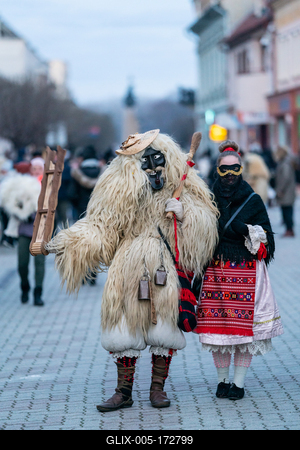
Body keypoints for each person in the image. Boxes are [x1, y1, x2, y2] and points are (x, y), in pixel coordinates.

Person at [46, 130, 219, 412]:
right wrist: (66, 242)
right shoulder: (118, 190)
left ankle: (157, 388)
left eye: (156, 159)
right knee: (123, 325)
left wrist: (185, 212)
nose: (152, 167)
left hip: (164, 265)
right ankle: (123, 391)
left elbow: (206, 226)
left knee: (163, 326)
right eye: (145, 161)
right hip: (127, 265)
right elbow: (100, 226)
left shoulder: (183, 181)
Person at [195, 140, 284, 400]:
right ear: (217, 170)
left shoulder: (254, 200)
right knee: (218, 328)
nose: (230, 174)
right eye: (225, 170)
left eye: (235, 169)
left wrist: (246, 230)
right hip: (216, 270)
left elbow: (268, 237)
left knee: (244, 332)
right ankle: (222, 382)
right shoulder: (206, 199)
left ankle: (239, 384)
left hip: (247, 272)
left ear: (241, 169)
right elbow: (196, 231)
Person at [0, 157, 45, 306]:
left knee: (39, 262)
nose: (37, 170)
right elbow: (11, 204)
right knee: (22, 264)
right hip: (23, 229)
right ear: (30, 170)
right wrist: (20, 211)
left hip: (41, 230)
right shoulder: (21, 185)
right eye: (34, 168)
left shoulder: (49, 185)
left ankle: (38, 292)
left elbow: (53, 210)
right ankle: (24, 286)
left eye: (40, 168)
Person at [275, 145, 296, 237]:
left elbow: (285, 177)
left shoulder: (285, 163)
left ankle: (289, 229)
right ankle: (289, 229)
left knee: (287, 211)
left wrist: (280, 190)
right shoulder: (285, 162)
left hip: (286, 192)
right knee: (287, 210)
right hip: (287, 192)